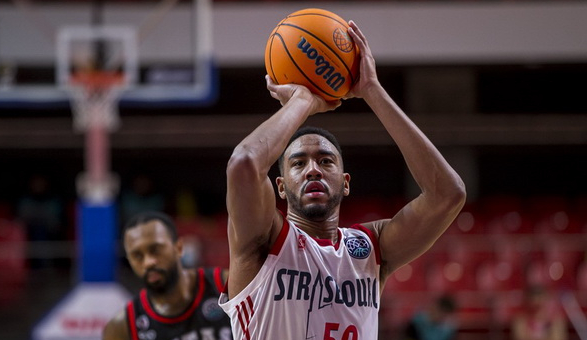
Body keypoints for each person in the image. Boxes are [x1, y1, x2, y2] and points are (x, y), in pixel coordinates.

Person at [219, 20, 466, 339]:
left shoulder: (371, 247)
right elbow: (243, 165)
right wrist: (302, 102)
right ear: (280, 186)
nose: (313, 169)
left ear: (346, 182)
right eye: (298, 163)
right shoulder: (261, 241)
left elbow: (449, 194)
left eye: (325, 161)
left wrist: (372, 90)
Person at [103, 211, 232, 340]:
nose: (148, 262)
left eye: (155, 250)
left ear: (179, 247)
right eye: (137, 255)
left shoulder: (226, 285)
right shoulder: (122, 327)